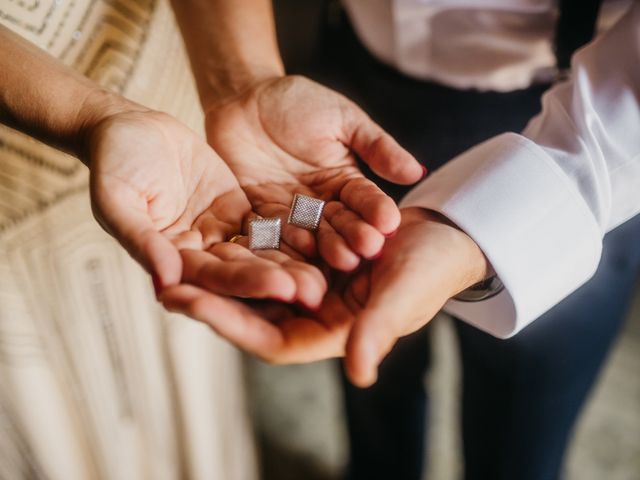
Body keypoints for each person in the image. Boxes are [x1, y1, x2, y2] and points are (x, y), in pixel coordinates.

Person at [158, 1, 640, 479]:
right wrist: (245, 82)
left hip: (582, 138)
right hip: (341, 108)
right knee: (371, 387)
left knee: (522, 428)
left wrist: (515, 212)